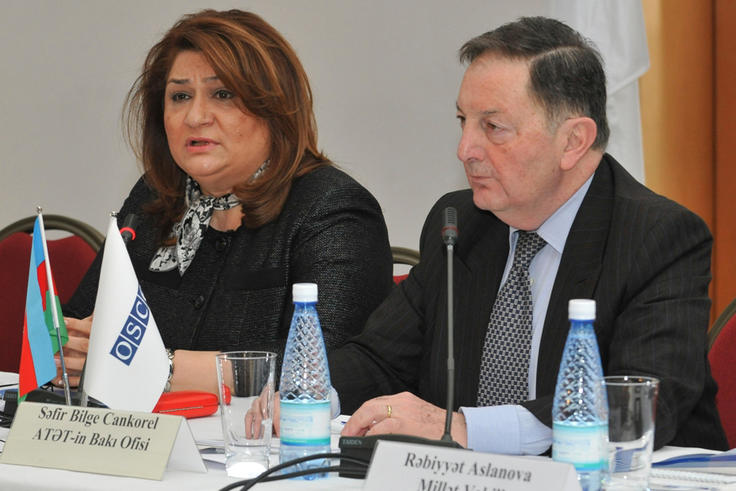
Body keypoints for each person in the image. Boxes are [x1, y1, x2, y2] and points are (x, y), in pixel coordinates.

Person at [329, 16, 728, 453]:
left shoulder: (657, 237)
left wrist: (468, 429)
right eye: (463, 120)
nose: (464, 150)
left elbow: (637, 405)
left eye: (493, 127)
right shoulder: (460, 223)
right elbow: (379, 360)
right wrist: (304, 397)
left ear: (573, 141)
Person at [60, 9, 393, 394]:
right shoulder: (156, 196)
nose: (196, 116)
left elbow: (329, 367)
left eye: (222, 94)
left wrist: (154, 367)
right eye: (180, 96)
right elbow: (81, 320)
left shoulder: (332, 209)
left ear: (274, 107)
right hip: (152, 428)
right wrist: (67, 350)